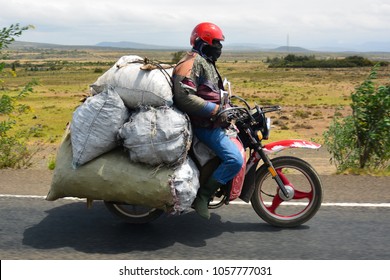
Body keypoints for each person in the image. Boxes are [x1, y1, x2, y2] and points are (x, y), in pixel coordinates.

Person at [172, 22, 243, 219]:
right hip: (203, 125)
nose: (219, 48)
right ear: (203, 42)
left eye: (219, 43)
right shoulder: (192, 63)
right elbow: (184, 96)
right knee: (234, 160)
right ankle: (203, 196)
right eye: (216, 43)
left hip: (213, 121)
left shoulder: (206, 62)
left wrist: (228, 108)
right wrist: (215, 110)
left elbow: (210, 92)